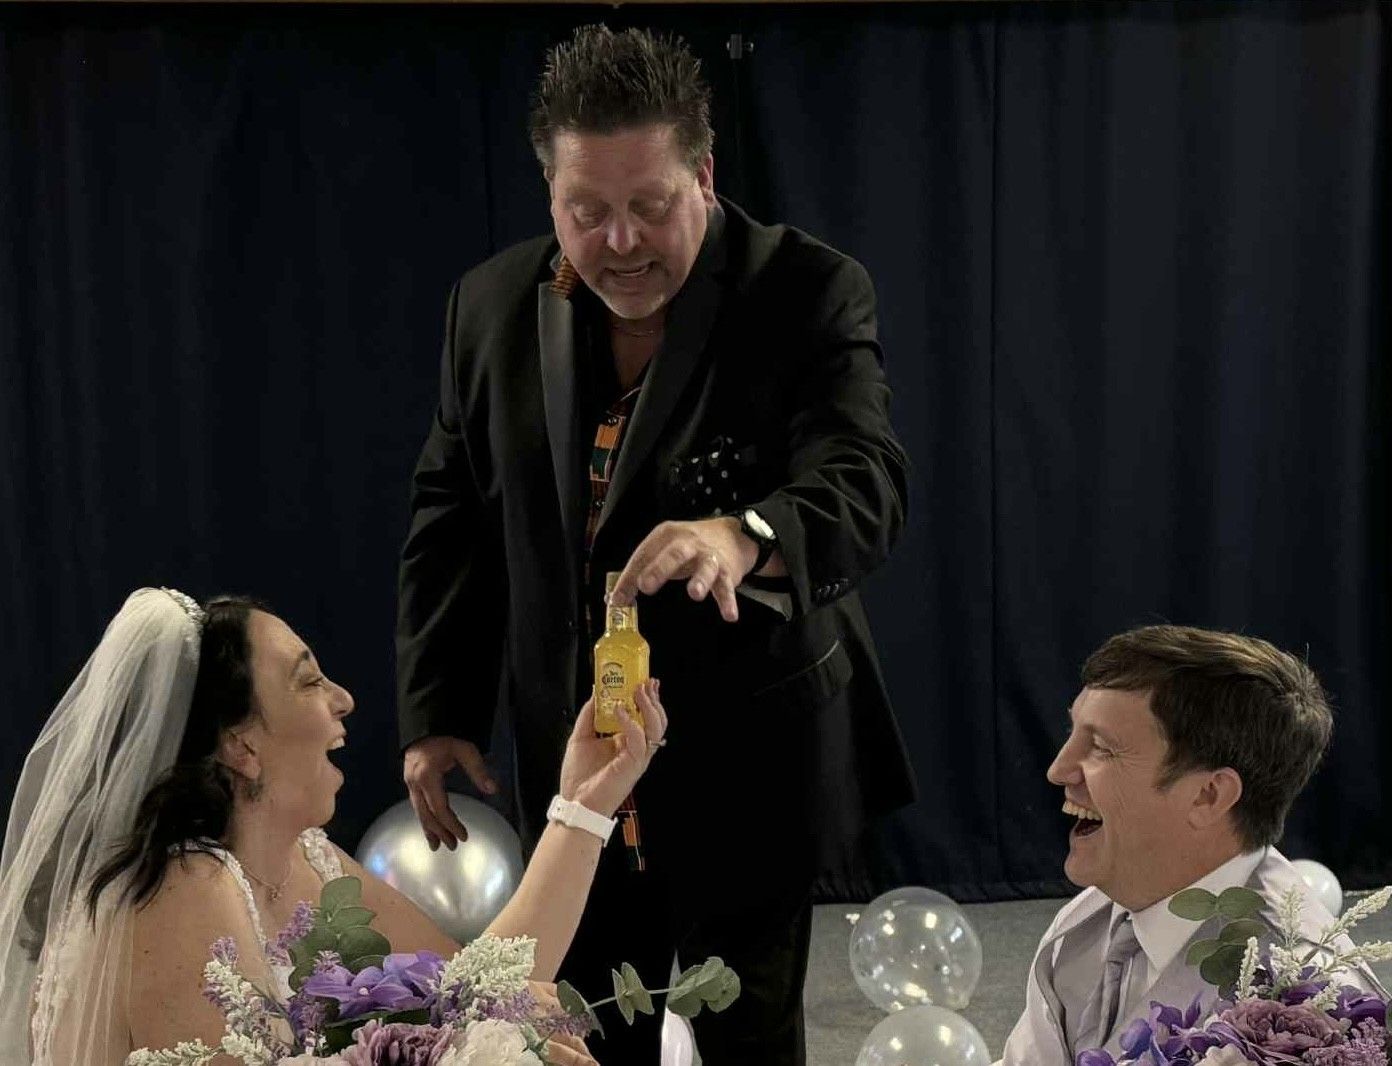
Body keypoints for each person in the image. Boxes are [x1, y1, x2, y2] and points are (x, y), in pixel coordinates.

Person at [395, 23, 915, 1065]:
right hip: (577, 766)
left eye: (650, 206)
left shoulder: (806, 290)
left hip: (752, 758)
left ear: (705, 176)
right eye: (587, 212)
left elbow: (866, 479)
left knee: (744, 1038)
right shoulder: (489, 305)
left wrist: (745, 533)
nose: (620, 243)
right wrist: (440, 710)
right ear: (551, 195)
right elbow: (452, 511)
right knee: (579, 1032)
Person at [0, 587, 667, 1065]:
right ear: (243, 747)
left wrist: (584, 802)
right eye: (308, 681)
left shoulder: (309, 862)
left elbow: (481, 981)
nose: (344, 699)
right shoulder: (184, 887)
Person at [997, 624, 1380, 1066]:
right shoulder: (1089, 920)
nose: (1059, 769)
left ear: (1208, 795)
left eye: (1101, 748)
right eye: (1073, 734)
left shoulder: (1307, 1015)